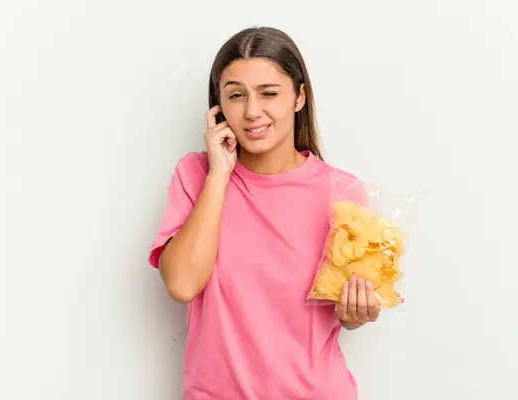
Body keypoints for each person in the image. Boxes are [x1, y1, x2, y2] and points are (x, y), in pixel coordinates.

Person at [148, 26, 380, 400]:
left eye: (269, 93)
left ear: (299, 97)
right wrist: (220, 172)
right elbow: (181, 284)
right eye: (236, 95)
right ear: (219, 106)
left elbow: (347, 310)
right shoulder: (195, 174)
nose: (252, 111)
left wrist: (356, 313)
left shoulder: (340, 191)